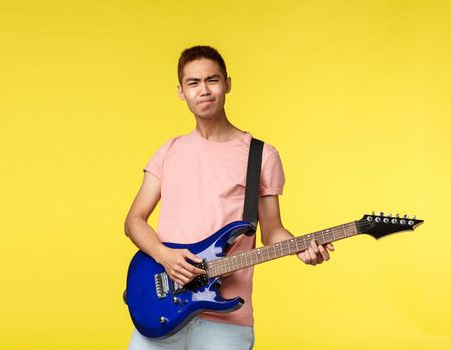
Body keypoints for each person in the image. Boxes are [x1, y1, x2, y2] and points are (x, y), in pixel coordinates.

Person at [124, 45, 335, 350]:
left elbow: (273, 231)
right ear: (181, 92)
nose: (204, 90)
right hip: (163, 309)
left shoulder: (260, 155)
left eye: (212, 80)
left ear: (227, 84)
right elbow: (133, 221)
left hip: (226, 321)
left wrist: (301, 249)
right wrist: (164, 255)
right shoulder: (169, 152)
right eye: (193, 83)